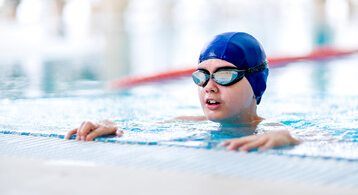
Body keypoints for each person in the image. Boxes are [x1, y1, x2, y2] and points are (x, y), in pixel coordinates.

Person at [66, 32, 301, 151]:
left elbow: (315, 138)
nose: (209, 86)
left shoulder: (271, 130)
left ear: (255, 83)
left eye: (224, 75)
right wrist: (113, 127)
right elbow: (139, 127)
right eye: (202, 75)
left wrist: (289, 139)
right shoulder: (190, 123)